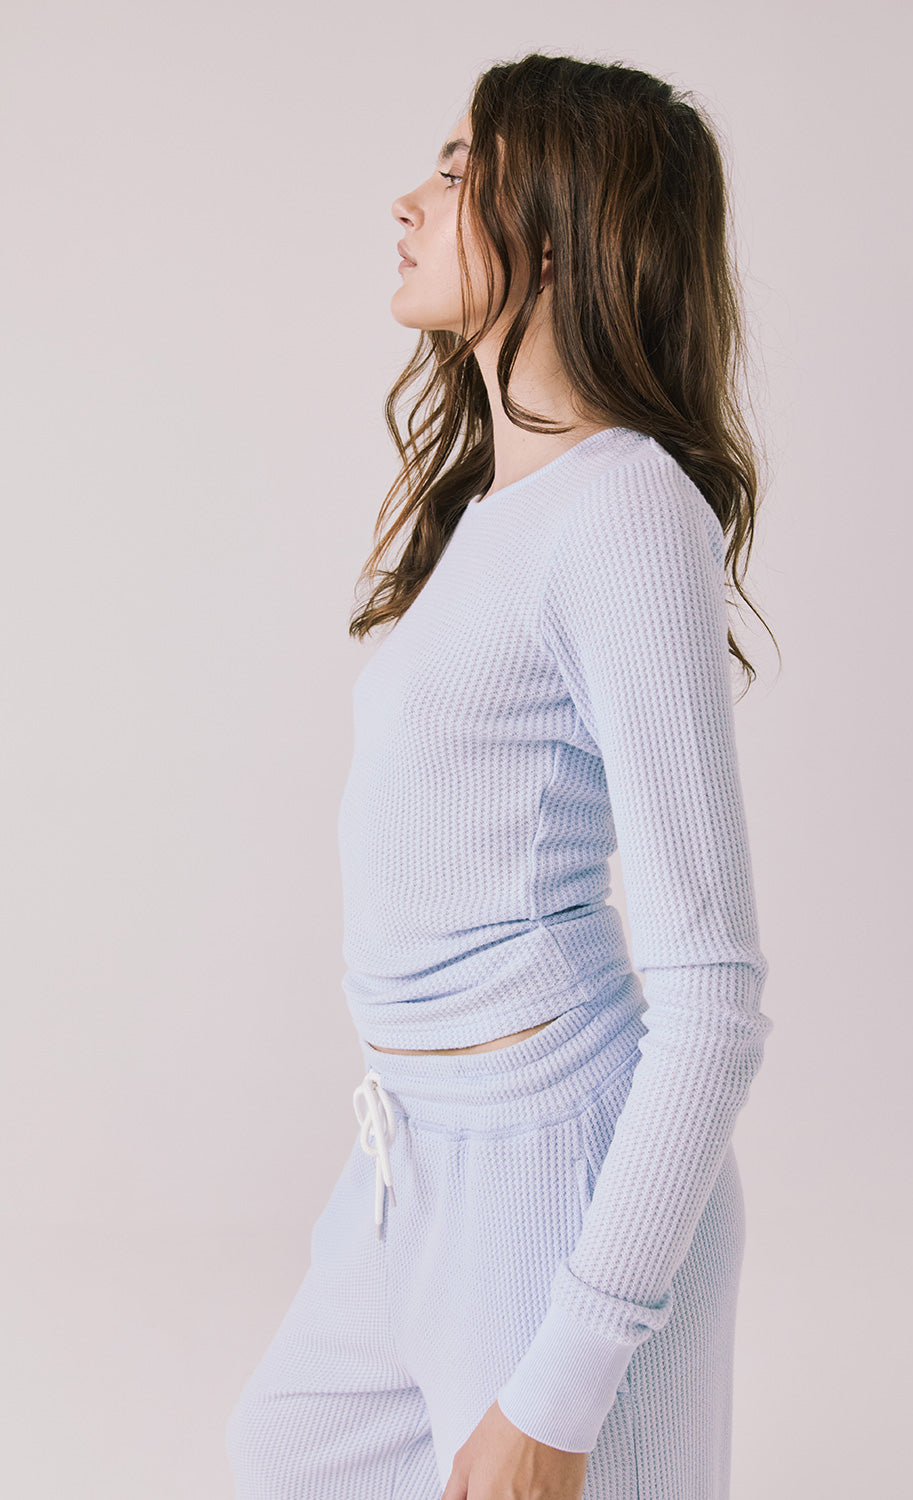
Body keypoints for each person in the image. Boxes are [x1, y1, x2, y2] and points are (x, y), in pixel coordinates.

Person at [226, 50, 777, 1500]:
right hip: (411, 1161)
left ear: (554, 226)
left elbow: (713, 997)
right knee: (281, 1453)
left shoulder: (625, 508)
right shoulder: (505, 510)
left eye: (459, 170)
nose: (409, 199)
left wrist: (574, 1363)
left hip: (555, 1175)